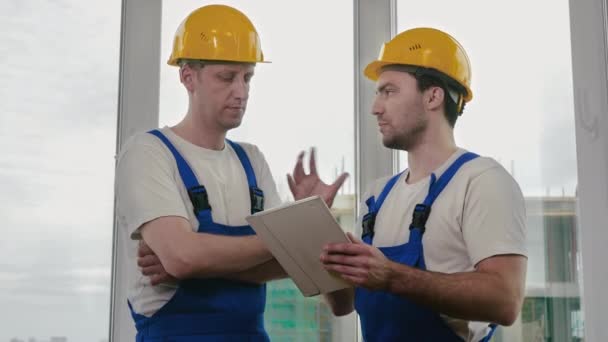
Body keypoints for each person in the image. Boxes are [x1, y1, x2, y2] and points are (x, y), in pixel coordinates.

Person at [115, 4, 347, 341]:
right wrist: (290, 234)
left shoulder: (251, 160)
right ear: (187, 76)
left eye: (247, 77)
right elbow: (183, 257)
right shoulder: (148, 153)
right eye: (227, 77)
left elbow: (295, 265)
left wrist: (200, 261)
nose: (241, 91)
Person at [320, 27, 528, 341]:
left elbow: (506, 300)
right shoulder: (377, 196)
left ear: (433, 96)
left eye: (388, 91)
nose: (375, 107)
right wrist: (314, 229)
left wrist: (391, 276)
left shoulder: (482, 181)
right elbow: (343, 305)